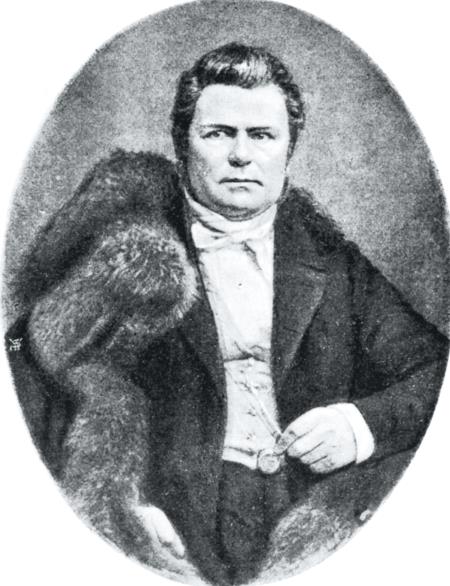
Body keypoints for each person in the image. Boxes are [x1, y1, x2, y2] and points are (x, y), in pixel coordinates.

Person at [6, 43, 448, 585]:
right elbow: (23, 369)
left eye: (262, 136)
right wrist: (116, 513)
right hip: (173, 517)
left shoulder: (333, 263)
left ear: (288, 150)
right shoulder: (124, 250)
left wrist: (359, 426)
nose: (241, 155)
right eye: (218, 134)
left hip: (306, 510)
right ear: (182, 145)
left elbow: (436, 370)